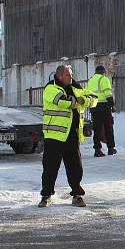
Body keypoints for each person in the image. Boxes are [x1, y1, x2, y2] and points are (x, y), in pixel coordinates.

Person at [39, 64, 97, 208]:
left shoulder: (77, 88)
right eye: (67, 75)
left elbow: (94, 98)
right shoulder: (50, 88)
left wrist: (85, 100)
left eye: (71, 74)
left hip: (72, 135)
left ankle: (77, 195)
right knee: (50, 168)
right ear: (59, 76)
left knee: (75, 167)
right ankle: (46, 196)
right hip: (54, 136)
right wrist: (80, 101)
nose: (71, 77)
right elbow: (63, 102)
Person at [86, 65, 117, 157]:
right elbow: (108, 94)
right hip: (104, 106)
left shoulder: (90, 81)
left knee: (97, 129)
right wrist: (112, 105)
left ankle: (97, 150)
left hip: (93, 106)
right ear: (103, 72)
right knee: (108, 127)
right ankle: (111, 148)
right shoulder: (104, 79)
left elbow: (87, 94)